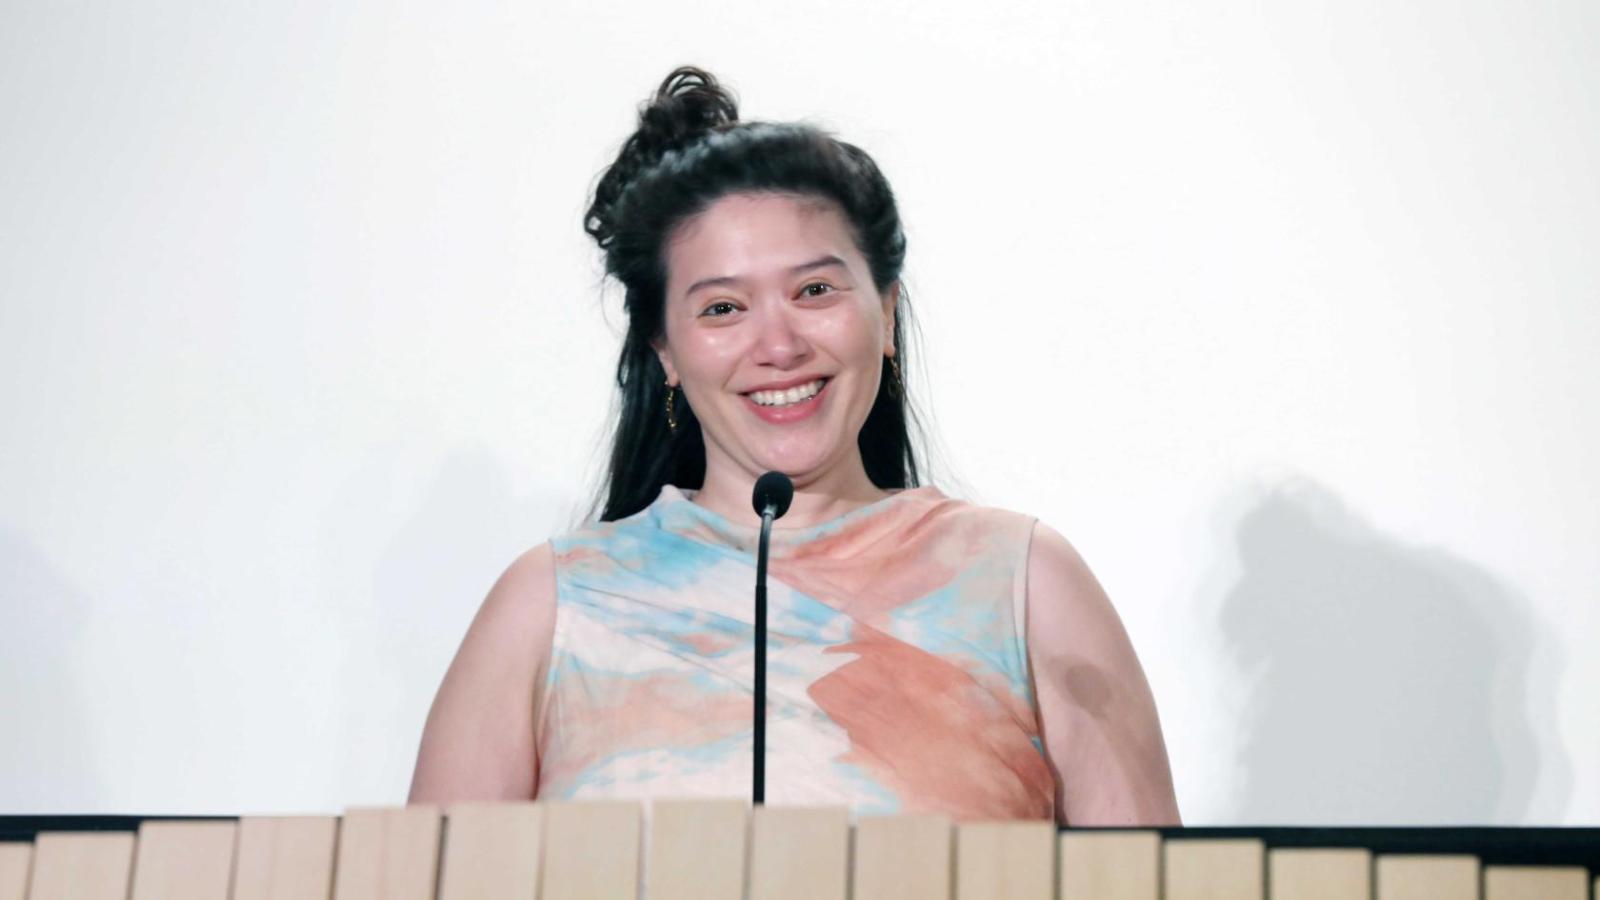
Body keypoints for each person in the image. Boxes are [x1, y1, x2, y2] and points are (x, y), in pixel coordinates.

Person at [409, 66, 1180, 826]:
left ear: (884, 307)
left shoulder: (1024, 584)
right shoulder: (550, 605)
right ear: (666, 353)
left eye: (815, 291)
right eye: (722, 307)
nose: (777, 344)